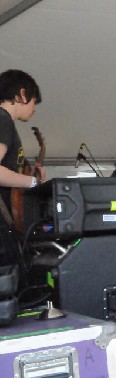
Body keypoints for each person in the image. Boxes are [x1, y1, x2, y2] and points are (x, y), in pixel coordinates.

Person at [0, 69, 45, 267]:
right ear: (22, 94)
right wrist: (33, 182)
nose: (34, 109)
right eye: (34, 101)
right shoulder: (3, 120)